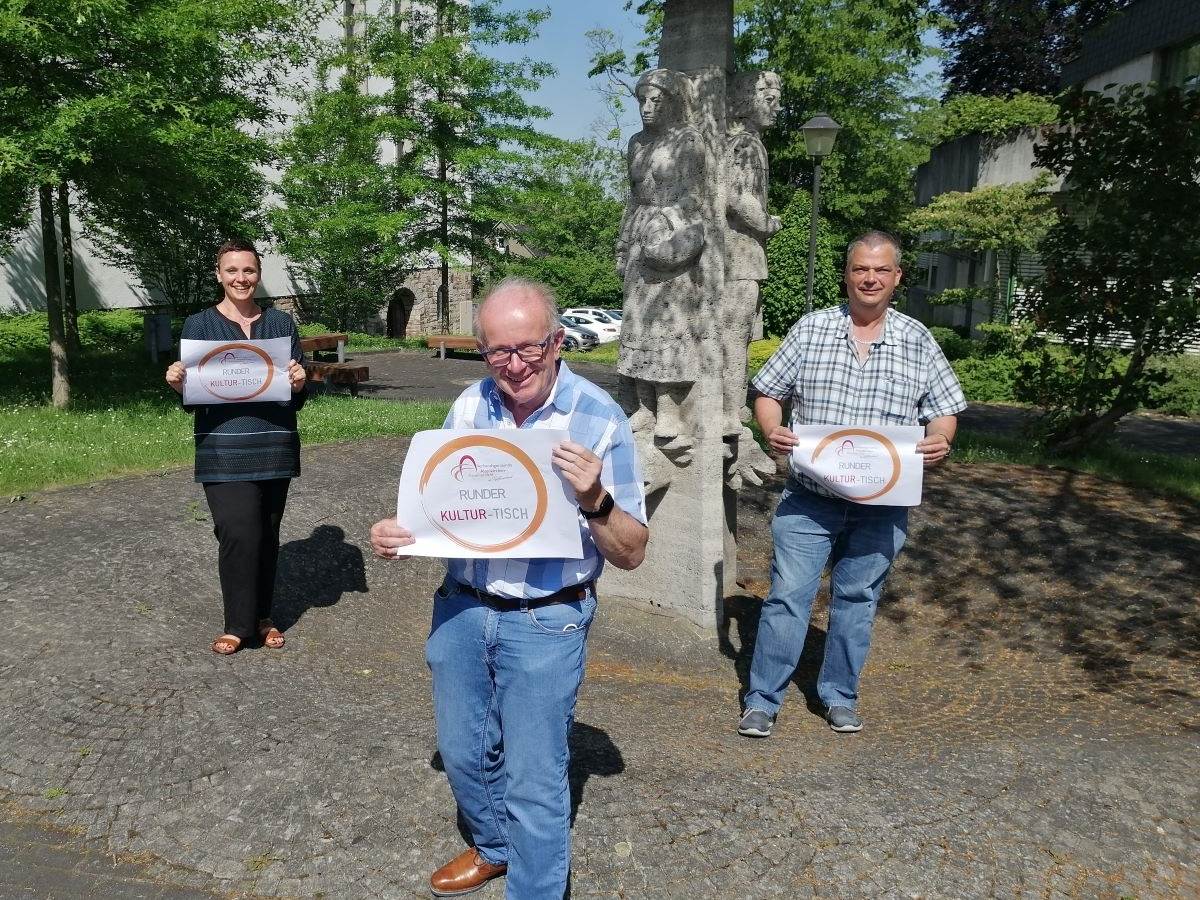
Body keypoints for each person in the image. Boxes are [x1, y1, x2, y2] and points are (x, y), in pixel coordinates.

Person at [370, 277, 648, 899]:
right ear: (482, 350)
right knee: (463, 753)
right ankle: (494, 847)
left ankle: (536, 888)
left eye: (530, 349)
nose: (515, 365)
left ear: (556, 343)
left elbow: (631, 551)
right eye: (499, 352)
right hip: (463, 608)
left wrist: (596, 499)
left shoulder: (598, 418)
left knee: (533, 775)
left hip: (549, 619)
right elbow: (442, 514)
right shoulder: (468, 409)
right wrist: (400, 533)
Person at [737, 231, 966, 738]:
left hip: (882, 505)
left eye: (881, 271)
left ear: (897, 278)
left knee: (857, 601)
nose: (871, 278)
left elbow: (944, 410)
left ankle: (839, 695)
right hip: (809, 500)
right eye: (862, 269)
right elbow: (768, 391)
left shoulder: (918, 339)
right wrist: (771, 426)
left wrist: (939, 440)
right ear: (847, 274)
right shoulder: (812, 329)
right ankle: (762, 700)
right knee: (787, 598)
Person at [165, 239, 307, 655]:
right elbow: (194, 395)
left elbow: (294, 394)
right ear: (218, 274)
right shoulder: (198, 325)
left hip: (274, 444)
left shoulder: (281, 324)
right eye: (232, 271)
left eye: (248, 271)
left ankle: (262, 617)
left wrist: (300, 382)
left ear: (258, 274)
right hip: (222, 448)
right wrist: (178, 383)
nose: (241, 279)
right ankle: (237, 624)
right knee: (237, 531)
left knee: (266, 533)